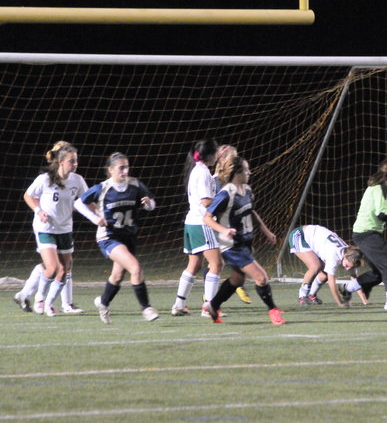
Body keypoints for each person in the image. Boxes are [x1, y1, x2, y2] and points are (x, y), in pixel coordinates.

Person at [75, 152, 159, 324]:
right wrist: (94, 218)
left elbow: (151, 204)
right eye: (121, 168)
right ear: (111, 170)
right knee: (135, 268)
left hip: (128, 236)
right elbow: (78, 203)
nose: (125, 171)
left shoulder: (135, 184)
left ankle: (103, 302)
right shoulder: (102, 188)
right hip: (109, 236)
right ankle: (146, 308)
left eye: (127, 167)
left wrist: (148, 204)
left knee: (117, 276)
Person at [202, 156, 285, 325]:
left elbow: (251, 211)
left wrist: (265, 230)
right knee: (261, 277)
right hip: (231, 245)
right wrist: (224, 230)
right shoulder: (225, 194)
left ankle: (213, 305)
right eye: (246, 170)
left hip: (245, 243)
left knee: (237, 279)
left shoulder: (247, 190)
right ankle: (273, 310)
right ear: (237, 173)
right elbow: (207, 217)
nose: (250, 172)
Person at [14, 141, 88, 316]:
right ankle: (46, 300)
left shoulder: (77, 180)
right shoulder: (45, 179)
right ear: (60, 160)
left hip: (65, 228)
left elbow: (85, 200)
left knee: (63, 267)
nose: (75, 164)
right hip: (46, 227)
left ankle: (27, 296)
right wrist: (39, 211)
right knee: (53, 266)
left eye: (76, 160)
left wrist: (97, 212)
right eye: (72, 160)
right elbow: (29, 195)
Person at [348, 157, 387, 311]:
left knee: (378, 273)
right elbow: (381, 213)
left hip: (369, 233)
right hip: (365, 233)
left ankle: (347, 288)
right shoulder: (379, 188)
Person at [171, 139, 224, 317]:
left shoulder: (197, 170)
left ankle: (179, 304)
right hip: (201, 223)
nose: (217, 156)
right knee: (217, 264)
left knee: (194, 265)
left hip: (191, 223)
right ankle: (209, 307)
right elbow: (206, 201)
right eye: (216, 153)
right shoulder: (202, 173)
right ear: (210, 155)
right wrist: (225, 199)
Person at [290, 225, 364, 307]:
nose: (347, 269)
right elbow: (331, 283)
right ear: (346, 256)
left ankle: (311, 295)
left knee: (324, 275)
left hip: (312, 238)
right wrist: (340, 302)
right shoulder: (334, 256)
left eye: (350, 267)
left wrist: (365, 301)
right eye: (347, 266)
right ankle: (302, 296)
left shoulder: (348, 253)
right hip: (299, 235)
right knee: (315, 266)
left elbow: (355, 280)